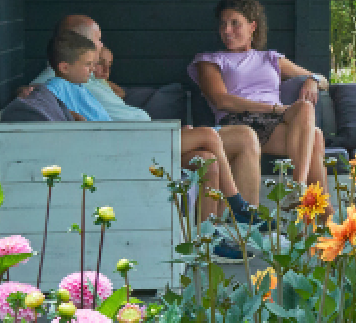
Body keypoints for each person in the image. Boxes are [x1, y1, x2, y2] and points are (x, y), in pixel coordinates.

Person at [26, 13, 263, 220]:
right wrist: (31, 93)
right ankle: (236, 202)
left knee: (205, 158)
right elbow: (41, 95)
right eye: (97, 42)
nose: (94, 64)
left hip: (135, 139)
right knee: (208, 134)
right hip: (130, 146)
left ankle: (209, 240)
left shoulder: (78, 82)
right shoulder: (57, 82)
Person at [190, 0, 329, 194]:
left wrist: (313, 80)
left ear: (252, 26)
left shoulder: (270, 58)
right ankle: (312, 203)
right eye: (223, 24)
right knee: (314, 136)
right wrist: (273, 109)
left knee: (307, 111)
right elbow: (221, 100)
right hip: (238, 123)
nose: (227, 31)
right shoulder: (210, 60)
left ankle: (300, 190)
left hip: (273, 122)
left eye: (235, 23)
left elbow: (323, 79)